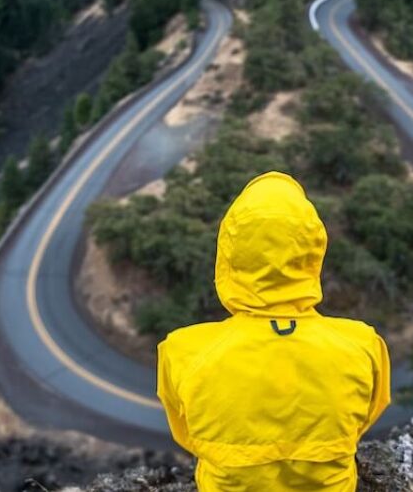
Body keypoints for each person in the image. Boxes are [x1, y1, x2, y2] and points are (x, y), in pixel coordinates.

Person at [157, 171, 391, 491]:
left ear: (227, 256)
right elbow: (362, 422)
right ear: (313, 253)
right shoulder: (363, 345)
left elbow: (189, 436)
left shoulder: (183, 350)